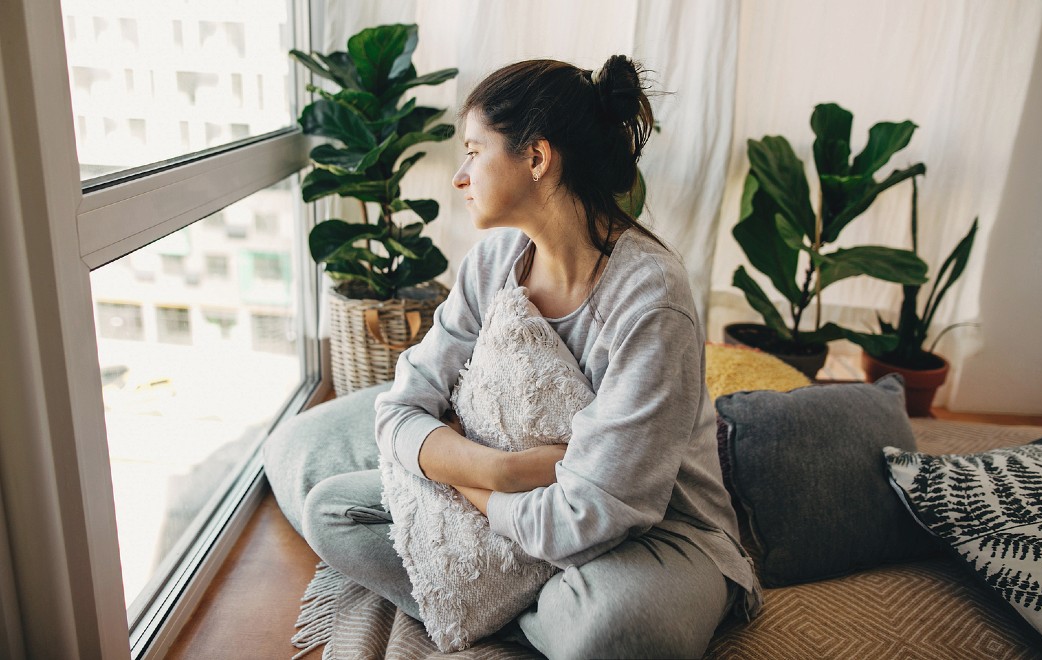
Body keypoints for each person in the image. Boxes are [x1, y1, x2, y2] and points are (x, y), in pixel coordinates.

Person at [301, 55, 762, 659]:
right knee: (332, 510)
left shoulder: (651, 299)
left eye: (473, 151)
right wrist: (501, 472)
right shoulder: (492, 266)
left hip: (652, 536)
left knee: (614, 630)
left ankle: (504, 604)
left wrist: (469, 481)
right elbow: (398, 411)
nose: (459, 176)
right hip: (520, 502)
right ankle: (528, 605)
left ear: (537, 158)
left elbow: (589, 514)